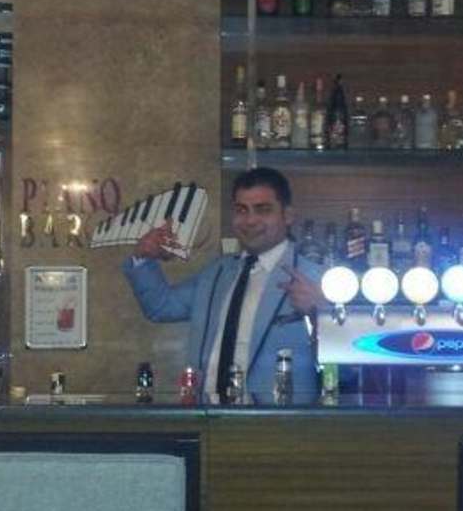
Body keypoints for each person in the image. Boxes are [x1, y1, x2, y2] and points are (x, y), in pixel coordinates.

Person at [123, 167, 324, 403]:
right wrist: (143, 258)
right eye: (241, 210)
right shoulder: (217, 273)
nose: (250, 220)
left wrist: (321, 313)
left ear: (288, 215)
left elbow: (351, 360)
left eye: (263, 209)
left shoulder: (315, 277)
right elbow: (160, 307)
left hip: (279, 420)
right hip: (209, 415)